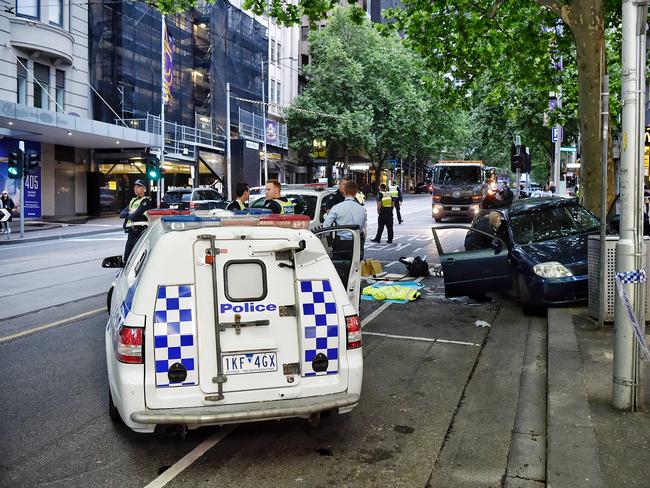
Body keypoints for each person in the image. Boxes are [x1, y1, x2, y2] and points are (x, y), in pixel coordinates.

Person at [323, 180, 367, 259]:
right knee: (355, 266)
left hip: (341, 243)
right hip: (356, 242)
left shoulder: (336, 208)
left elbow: (326, 226)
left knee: (340, 267)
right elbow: (362, 226)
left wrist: (330, 241)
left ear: (345, 191)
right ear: (356, 192)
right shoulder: (361, 209)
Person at [120, 180, 152, 262]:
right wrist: (130, 213)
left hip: (140, 230)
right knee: (127, 254)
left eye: (138, 187)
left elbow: (134, 216)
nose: (135, 189)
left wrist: (129, 213)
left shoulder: (146, 201)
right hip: (131, 231)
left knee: (136, 253)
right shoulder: (133, 200)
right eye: (135, 187)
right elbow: (121, 214)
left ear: (144, 189)